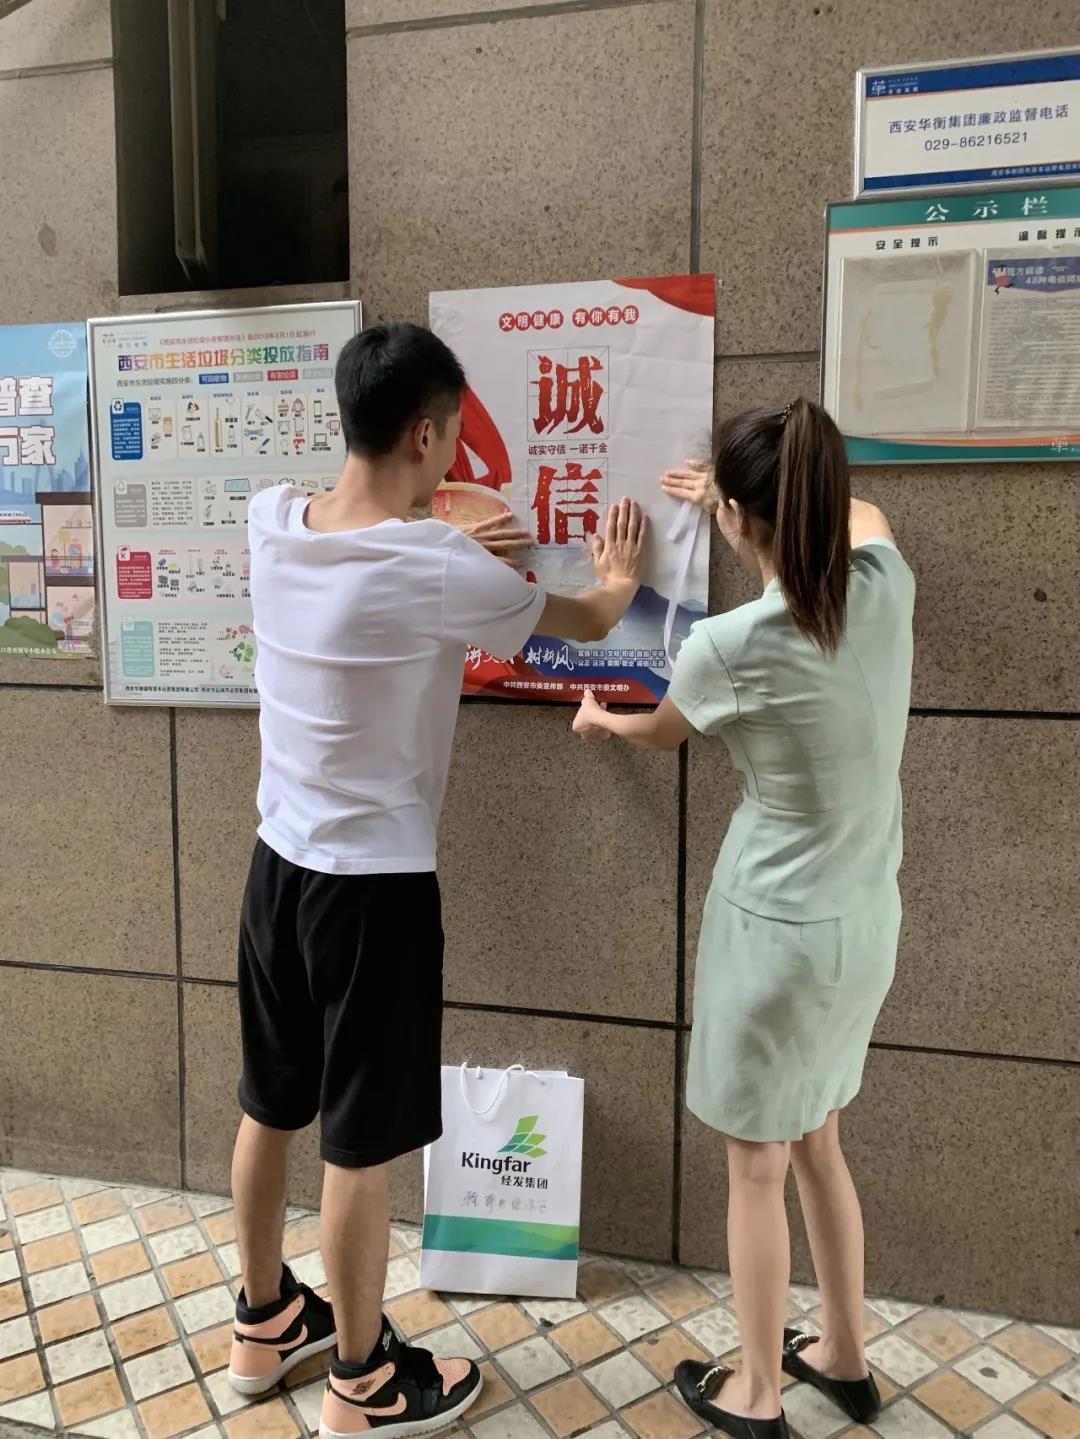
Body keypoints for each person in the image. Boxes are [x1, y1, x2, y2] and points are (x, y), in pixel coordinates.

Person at [227, 321, 647, 1438]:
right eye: (454, 434)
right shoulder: (436, 565)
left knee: (269, 1103)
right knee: (359, 1143)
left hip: (276, 868)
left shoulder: (272, 520)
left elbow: (380, 537)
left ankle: (262, 1322)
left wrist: (438, 522)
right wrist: (621, 577)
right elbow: (583, 621)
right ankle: (363, 1380)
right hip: (373, 892)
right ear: (423, 434)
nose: (458, 454)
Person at [572, 398, 914, 1439]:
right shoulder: (884, 583)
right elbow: (861, 512)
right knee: (819, 1142)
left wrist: (600, 717)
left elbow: (661, 732)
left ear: (736, 518)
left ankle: (758, 1391)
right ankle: (844, 1354)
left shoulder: (729, 642)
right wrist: (741, 490)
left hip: (772, 934)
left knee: (757, 1166)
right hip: (865, 923)